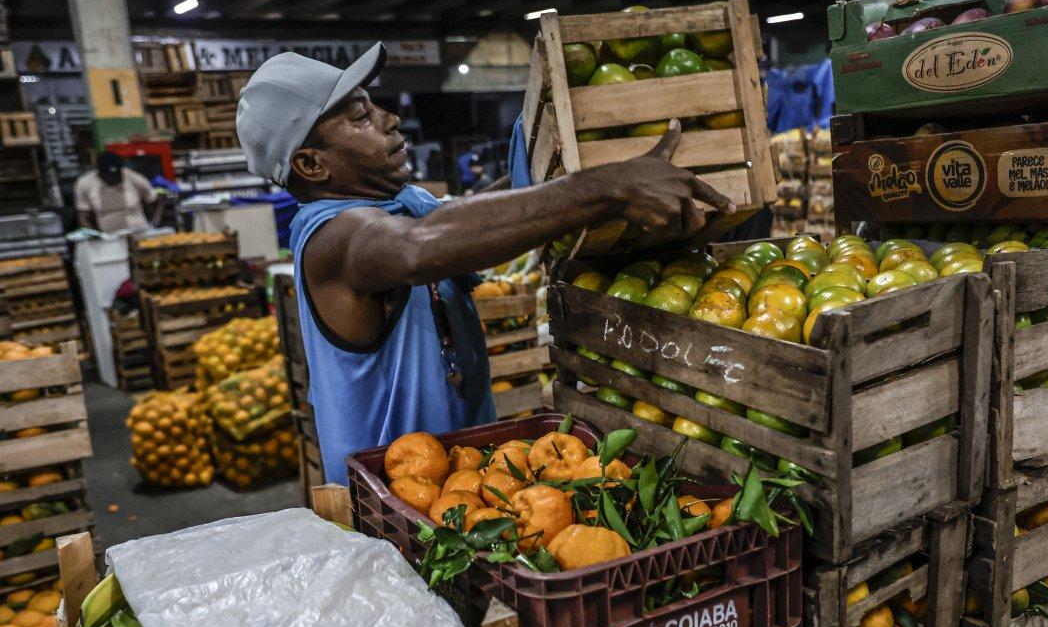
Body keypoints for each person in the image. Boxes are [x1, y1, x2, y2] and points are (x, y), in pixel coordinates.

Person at [236, 42, 733, 484]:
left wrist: (544, 151)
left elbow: (461, 219)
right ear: (311, 165)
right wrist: (610, 186)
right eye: (360, 117)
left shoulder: (402, 206)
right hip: (397, 507)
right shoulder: (332, 237)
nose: (389, 119)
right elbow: (420, 246)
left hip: (460, 484)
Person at [74, 151, 160, 233]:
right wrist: (94, 235)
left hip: (139, 231)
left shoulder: (133, 177)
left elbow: (157, 202)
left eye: (116, 176)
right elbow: (83, 216)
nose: (113, 180)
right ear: (99, 172)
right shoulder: (85, 183)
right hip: (109, 237)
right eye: (109, 177)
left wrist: (154, 225)